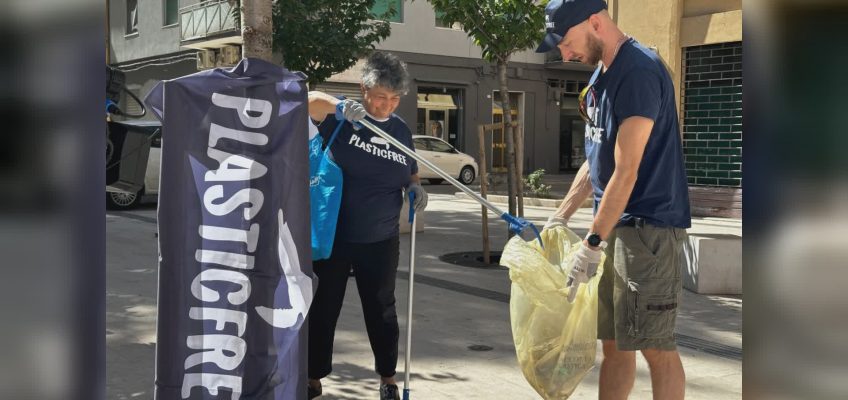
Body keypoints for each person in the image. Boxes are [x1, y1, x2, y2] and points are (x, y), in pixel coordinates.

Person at [537, 1, 691, 399]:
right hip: (614, 228)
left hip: (648, 230)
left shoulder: (638, 70)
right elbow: (596, 158)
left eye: (567, 43)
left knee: (655, 346)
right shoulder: (601, 75)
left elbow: (626, 171)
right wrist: (560, 216)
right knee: (615, 343)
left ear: (595, 23)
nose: (565, 54)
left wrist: (590, 244)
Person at [305, 52, 427, 400]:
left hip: (380, 237)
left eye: (394, 99)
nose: (386, 105)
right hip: (334, 236)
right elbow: (308, 101)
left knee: (382, 309)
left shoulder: (400, 129)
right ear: (364, 89)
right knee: (324, 307)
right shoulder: (340, 117)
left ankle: (388, 379)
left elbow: (409, 169)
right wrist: (340, 106)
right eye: (380, 96)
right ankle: (313, 377)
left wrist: (415, 186)